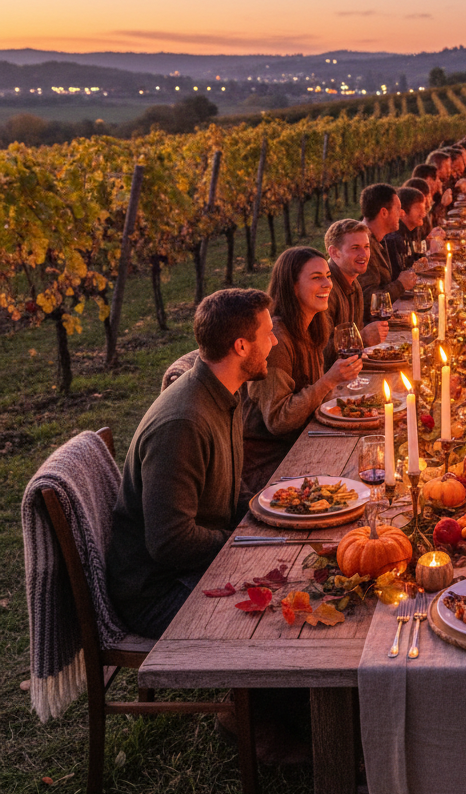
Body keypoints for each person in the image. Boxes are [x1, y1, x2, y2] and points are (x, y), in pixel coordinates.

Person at [107, 288, 275, 638]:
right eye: (268, 334)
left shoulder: (224, 390)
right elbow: (171, 541)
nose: (274, 342)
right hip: (160, 593)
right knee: (274, 623)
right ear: (241, 346)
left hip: (194, 567)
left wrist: (265, 518)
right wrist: (240, 541)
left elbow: (229, 483)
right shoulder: (182, 424)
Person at [241, 247, 364, 499]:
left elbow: (317, 400)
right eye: (316, 277)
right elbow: (278, 420)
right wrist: (329, 380)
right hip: (272, 464)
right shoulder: (276, 341)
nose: (328, 284)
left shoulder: (312, 326)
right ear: (293, 286)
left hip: (303, 443)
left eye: (328, 276)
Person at [323, 218, 388, 365]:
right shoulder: (325, 289)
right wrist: (360, 338)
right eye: (355, 248)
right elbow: (320, 352)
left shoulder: (355, 284)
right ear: (334, 252)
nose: (364, 254)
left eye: (366, 247)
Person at [358, 182, 417, 323]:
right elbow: (369, 301)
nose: (402, 213)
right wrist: (400, 284)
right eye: (398, 209)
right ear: (384, 213)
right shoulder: (362, 247)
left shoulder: (378, 240)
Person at [384, 185, 427, 272]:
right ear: (402, 213)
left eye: (423, 208)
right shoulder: (393, 239)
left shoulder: (411, 231)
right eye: (418, 208)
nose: (423, 213)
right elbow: (399, 274)